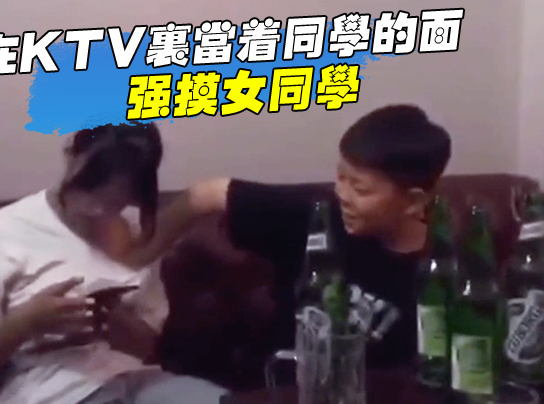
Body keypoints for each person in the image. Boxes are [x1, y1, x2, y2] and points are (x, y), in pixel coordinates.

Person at [137, 104, 453, 369]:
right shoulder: (318, 217)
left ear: (414, 201)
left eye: (360, 189)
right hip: (279, 390)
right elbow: (206, 194)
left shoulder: (443, 276)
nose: (342, 194)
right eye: (340, 177)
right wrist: (134, 254)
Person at [0, 122, 228, 404]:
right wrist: (26, 323)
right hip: (51, 392)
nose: (98, 210)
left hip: (140, 383)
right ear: (70, 156)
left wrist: (114, 322)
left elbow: (148, 348)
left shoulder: (139, 234)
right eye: (89, 190)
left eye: (115, 201)